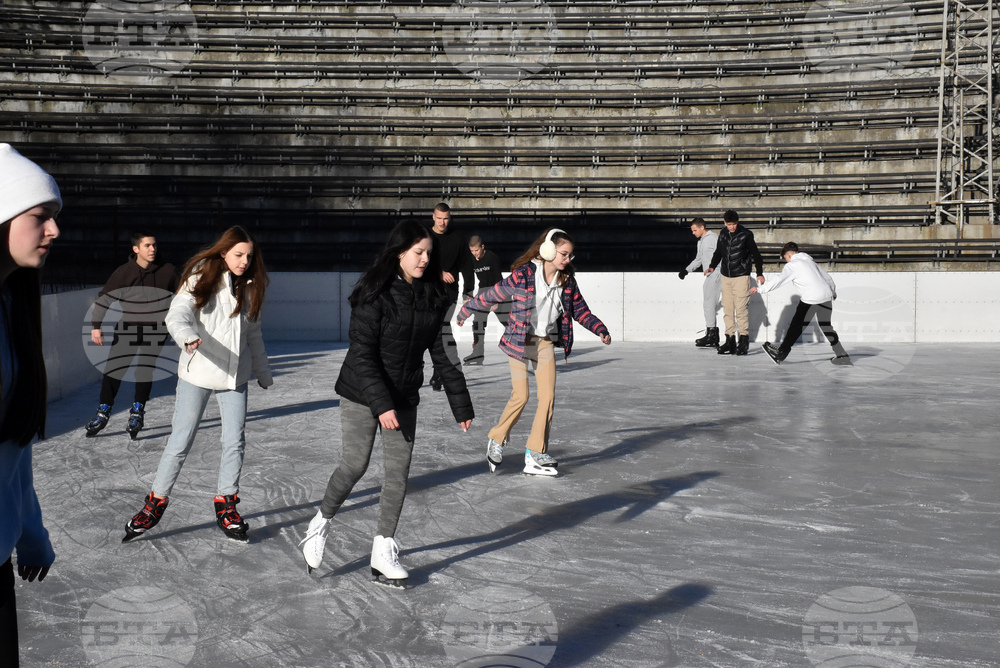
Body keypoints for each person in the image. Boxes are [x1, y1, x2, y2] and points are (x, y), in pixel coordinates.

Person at [299, 221, 473, 587]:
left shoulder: (433, 295)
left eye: (429, 252)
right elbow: (362, 354)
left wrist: (461, 402)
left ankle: (384, 548)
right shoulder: (374, 292)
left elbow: (441, 350)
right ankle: (320, 523)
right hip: (363, 391)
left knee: (398, 473)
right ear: (399, 253)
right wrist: (381, 404)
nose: (425, 259)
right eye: (418, 253)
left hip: (405, 393)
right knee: (355, 464)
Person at [122, 226, 272, 543]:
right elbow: (177, 314)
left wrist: (262, 370)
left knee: (235, 441)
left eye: (249, 256)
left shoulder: (249, 286)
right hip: (198, 372)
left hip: (234, 376)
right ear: (223, 252)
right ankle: (154, 504)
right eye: (238, 255)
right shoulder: (201, 277)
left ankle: (226, 504)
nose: (245, 261)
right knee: (181, 441)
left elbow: (254, 333)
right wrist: (187, 337)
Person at [456, 228, 611, 477]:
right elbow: (496, 292)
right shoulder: (526, 274)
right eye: (563, 254)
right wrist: (468, 309)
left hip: (544, 343)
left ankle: (535, 452)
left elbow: (581, 311)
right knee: (522, 395)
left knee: (547, 398)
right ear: (548, 250)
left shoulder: (566, 280)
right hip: (519, 341)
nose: (567, 260)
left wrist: (600, 329)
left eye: (570, 255)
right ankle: (496, 439)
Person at [0, 143, 59, 667]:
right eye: (40, 216)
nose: (54, 231)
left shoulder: (13, 305)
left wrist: (30, 534)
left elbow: (11, 450)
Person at [85, 230, 179, 439]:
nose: (153, 249)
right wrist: (96, 325)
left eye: (154, 245)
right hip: (128, 327)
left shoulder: (168, 271)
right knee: (114, 369)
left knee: (144, 370)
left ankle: (137, 411)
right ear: (136, 249)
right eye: (147, 246)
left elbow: (182, 297)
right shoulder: (124, 272)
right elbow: (105, 298)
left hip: (156, 329)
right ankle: (104, 410)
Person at [751, 242, 852, 366]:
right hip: (826, 296)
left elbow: (779, 280)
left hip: (812, 299)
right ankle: (842, 355)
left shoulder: (793, 265)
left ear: (788, 255)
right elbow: (827, 277)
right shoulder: (810, 261)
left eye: (785, 259)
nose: (786, 262)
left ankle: (781, 353)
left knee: (796, 326)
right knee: (826, 326)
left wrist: (760, 289)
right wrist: (833, 291)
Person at [426, 203, 473, 390]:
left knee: (442, 329)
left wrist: (468, 293)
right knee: (429, 330)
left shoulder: (458, 238)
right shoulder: (425, 236)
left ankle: (439, 371)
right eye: (439, 218)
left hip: (449, 293)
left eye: (445, 218)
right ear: (433, 217)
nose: (442, 222)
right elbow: (418, 261)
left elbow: (467, 267)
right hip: (427, 290)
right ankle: (438, 370)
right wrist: (439, 273)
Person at [706, 210, 764, 356]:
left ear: (738, 222)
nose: (732, 227)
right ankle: (729, 340)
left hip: (741, 277)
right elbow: (719, 252)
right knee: (728, 310)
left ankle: (743, 341)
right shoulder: (723, 234)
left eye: (734, 224)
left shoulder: (746, 234)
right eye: (729, 224)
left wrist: (759, 273)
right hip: (726, 276)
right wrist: (712, 265)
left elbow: (756, 255)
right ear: (725, 223)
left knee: (741, 310)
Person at [463, 234, 510, 365]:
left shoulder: (491, 258)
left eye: (476, 250)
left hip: (499, 294)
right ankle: (477, 353)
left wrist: (496, 300)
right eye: (472, 251)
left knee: (508, 322)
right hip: (483, 294)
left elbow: (498, 280)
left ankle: (524, 346)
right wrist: (467, 295)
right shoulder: (472, 259)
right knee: (478, 322)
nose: (474, 254)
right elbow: (469, 278)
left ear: (482, 247)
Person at [678, 218, 722, 347]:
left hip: (717, 272)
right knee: (708, 303)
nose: (693, 233)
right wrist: (686, 270)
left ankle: (712, 334)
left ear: (702, 227)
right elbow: (698, 259)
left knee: (709, 303)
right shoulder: (701, 242)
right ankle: (711, 332)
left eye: (695, 230)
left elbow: (723, 253)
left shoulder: (714, 238)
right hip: (709, 274)